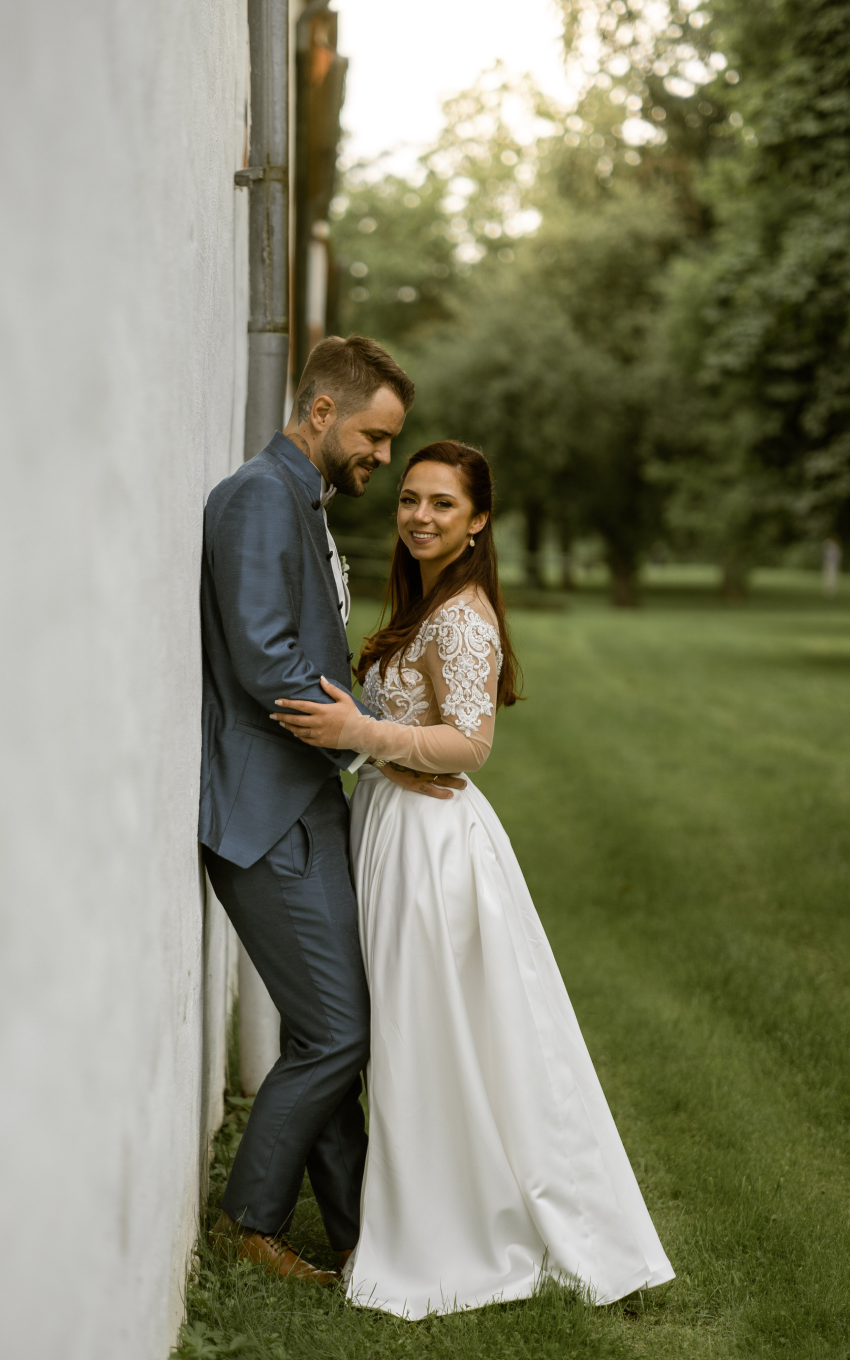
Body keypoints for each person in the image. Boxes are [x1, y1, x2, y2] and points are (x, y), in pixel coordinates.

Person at [272, 440, 675, 1316]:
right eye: (410, 499)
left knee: (432, 1032)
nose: (419, 516)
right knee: (417, 1029)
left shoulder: (462, 617)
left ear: (479, 521)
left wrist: (363, 735)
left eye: (443, 504)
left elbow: (469, 743)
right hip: (393, 826)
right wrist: (376, 748)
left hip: (431, 850)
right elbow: (413, 729)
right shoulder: (426, 600)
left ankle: (450, 1226)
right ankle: (421, 1203)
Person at [199, 336, 465, 1287]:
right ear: (321, 411)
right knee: (338, 1033)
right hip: (264, 817)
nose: (383, 458)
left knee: (333, 1026)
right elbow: (266, 660)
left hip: (306, 807)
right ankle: (249, 1224)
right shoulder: (258, 498)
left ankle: (359, 1236)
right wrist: (372, 745)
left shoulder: (299, 497)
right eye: (375, 437)